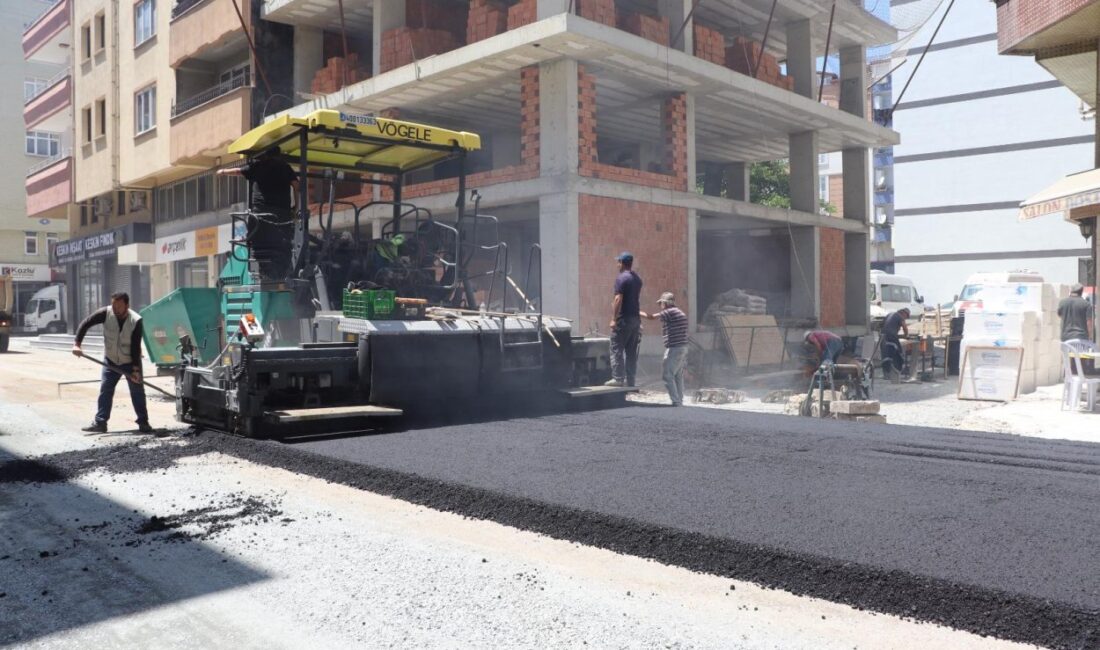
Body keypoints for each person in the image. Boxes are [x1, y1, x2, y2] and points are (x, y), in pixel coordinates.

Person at [71, 292, 152, 434]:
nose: (115, 309)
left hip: (129, 361)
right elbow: (86, 323)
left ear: (127, 305)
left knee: (137, 391)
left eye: (119, 306)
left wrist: (135, 370)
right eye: (113, 305)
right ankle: (100, 423)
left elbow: (135, 347)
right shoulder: (105, 313)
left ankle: (143, 422)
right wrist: (77, 344)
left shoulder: (136, 320)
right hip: (111, 361)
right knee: (105, 390)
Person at [217, 147, 300, 279]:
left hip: (260, 217)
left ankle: (263, 269)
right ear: (280, 155)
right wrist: (296, 207)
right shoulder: (285, 167)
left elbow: (238, 171)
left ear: (265, 156)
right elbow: (296, 185)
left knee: (257, 245)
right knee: (282, 247)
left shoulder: (258, 166)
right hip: (281, 217)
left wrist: (223, 171)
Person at [641, 292, 689, 406]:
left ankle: (676, 401)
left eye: (661, 303)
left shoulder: (670, 312)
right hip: (682, 348)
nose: (660, 306)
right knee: (677, 375)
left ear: (666, 303)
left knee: (667, 375)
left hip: (675, 348)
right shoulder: (679, 312)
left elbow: (651, 317)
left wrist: (636, 312)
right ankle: (679, 400)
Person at [605, 252, 643, 388]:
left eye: (618, 262)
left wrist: (613, 319)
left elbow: (618, 299)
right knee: (631, 352)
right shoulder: (637, 279)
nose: (617, 264)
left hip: (624, 320)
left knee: (616, 348)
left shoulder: (622, 278)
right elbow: (633, 299)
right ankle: (631, 380)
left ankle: (618, 378)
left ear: (621, 262)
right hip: (635, 320)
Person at [880, 307, 910, 380]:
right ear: (904, 313)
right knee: (898, 353)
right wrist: (906, 335)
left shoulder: (890, 314)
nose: (906, 318)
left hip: (883, 337)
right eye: (906, 316)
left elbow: (881, 325)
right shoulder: (900, 317)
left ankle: (886, 374)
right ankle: (898, 371)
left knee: (886, 355)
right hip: (891, 337)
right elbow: (905, 328)